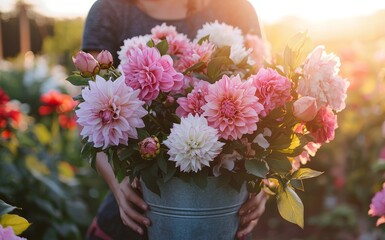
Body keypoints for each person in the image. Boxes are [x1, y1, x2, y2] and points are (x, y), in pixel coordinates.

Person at [81, 0, 269, 239]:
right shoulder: (110, 9)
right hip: (137, 213)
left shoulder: (236, 8)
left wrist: (264, 179)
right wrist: (119, 184)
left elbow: (264, 109)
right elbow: (89, 116)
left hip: (224, 215)